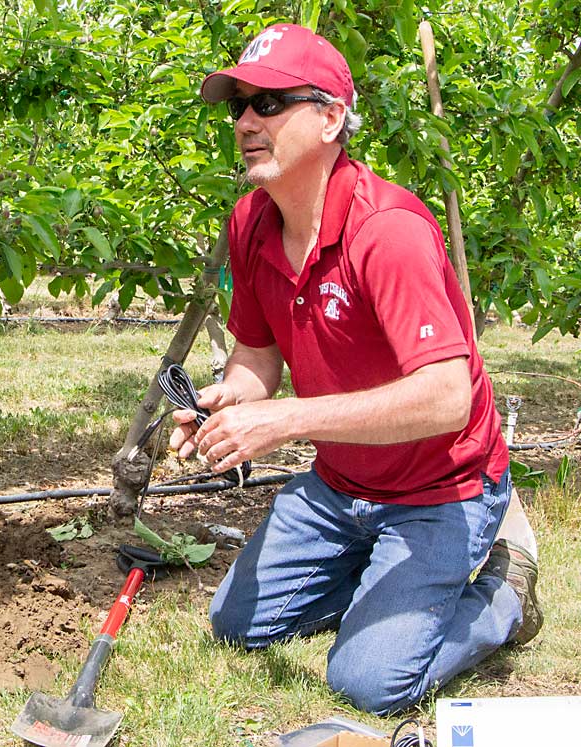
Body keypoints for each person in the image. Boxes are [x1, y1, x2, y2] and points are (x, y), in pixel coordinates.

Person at [169, 24, 542, 715]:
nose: (247, 121)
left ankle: (504, 593)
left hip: (443, 487)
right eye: (239, 104)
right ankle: (388, 590)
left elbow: (446, 399)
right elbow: (257, 357)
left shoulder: (387, 231)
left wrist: (284, 421)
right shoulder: (251, 221)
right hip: (342, 484)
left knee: (367, 682)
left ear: (332, 116)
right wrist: (230, 401)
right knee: (237, 626)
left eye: (270, 102)